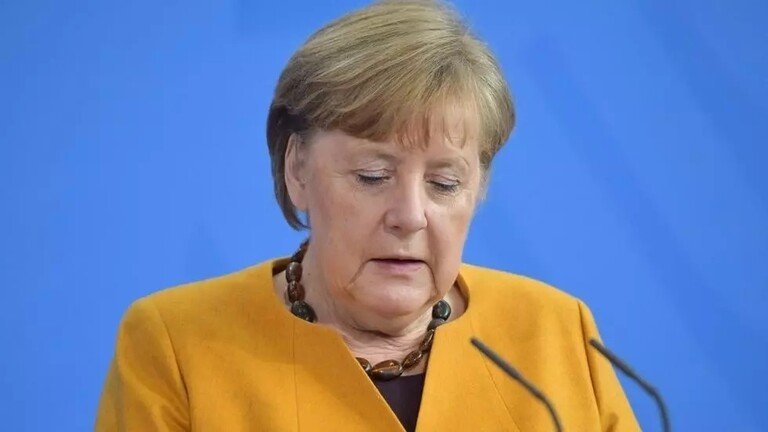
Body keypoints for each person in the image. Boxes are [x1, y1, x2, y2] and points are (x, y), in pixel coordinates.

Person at [96, 1, 640, 430]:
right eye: (373, 176)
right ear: (297, 169)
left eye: (444, 183)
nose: (410, 216)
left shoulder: (557, 332)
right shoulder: (177, 346)